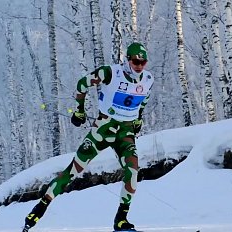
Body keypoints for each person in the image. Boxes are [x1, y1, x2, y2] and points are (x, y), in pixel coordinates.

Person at [22, 42, 154, 232]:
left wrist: (138, 119)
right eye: (135, 62)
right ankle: (39, 209)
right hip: (103, 129)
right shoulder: (110, 72)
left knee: (132, 172)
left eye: (143, 62)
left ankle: (121, 220)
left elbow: (144, 99)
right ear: (127, 60)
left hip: (125, 133)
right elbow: (82, 84)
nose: (139, 66)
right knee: (73, 171)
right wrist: (79, 111)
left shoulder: (148, 79)